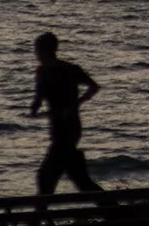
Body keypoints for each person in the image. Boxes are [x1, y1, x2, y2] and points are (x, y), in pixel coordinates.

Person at [29, 31, 102, 196]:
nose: (35, 54)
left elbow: (93, 86)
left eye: (37, 49)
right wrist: (34, 108)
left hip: (69, 128)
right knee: (81, 181)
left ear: (45, 50)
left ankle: (38, 219)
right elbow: (39, 96)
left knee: (45, 177)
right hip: (56, 128)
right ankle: (113, 210)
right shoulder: (41, 72)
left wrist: (76, 104)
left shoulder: (69, 69)